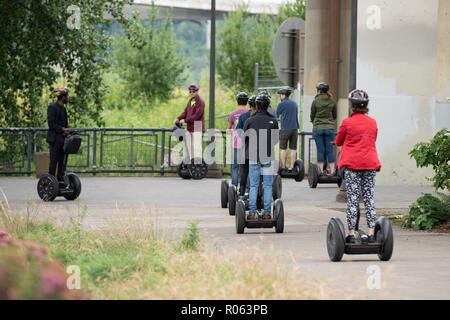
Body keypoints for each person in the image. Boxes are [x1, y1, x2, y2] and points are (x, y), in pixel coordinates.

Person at [335, 89, 381, 243]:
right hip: (370, 165)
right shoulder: (373, 122)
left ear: (352, 106)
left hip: (353, 166)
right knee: (369, 199)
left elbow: (338, 141)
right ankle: (371, 233)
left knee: (353, 200)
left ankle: (351, 234)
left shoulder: (347, 123)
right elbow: (373, 139)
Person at [243, 92, 279, 219]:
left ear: (256, 105)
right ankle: (267, 213)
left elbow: (244, 139)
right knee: (268, 185)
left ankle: (252, 213)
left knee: (253, 185)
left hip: (253, 155)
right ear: (268, 105)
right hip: (268, 155)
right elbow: (275, 140)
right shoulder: (273, 121)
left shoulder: (249, 121)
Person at [310, 82, 337, 176]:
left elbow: (312, 115)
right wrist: (329, 121)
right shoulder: (332, 101)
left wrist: (315, 121)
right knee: (329, 150)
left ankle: (321, 171)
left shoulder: (315, 101)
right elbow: (334, 115)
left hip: (318, 128)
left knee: (320, 150)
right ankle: (332, 171)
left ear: (319, 91)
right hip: (329, 128)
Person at [174, 84, 205, 160]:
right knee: (190, 147)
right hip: (190, 126)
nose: (191, 93)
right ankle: (192, 164)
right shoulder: (190, 101)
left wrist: (185, 120)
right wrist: (178, 118)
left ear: (197, 91)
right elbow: (185, 112)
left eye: (193, 91)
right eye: (190, 91)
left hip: (197, 125)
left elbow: (197, 116)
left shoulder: (200, 102)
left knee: (197, 147)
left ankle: (198, 163)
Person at [46, 87, 70, 182]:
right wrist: (62, 129)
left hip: (63, 139)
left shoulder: (63, 109)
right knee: (53, 162)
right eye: (67, 96)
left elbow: (65, 124)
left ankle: (60, 181)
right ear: (62, 97)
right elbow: (51, 123)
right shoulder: (52, 107)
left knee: (62, 162)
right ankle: (50, 182)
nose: (68, 97)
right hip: (55, 140)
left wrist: (67, 131)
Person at [236, 95, 257, 198]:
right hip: (258, 149)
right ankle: (253, 193)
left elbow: (238, 131)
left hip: (245, 148)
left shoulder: (243, 117)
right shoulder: (260, 117)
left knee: (244, 172)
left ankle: (241, 192)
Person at [227, 92, 249, 188]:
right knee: (246, 168)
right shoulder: (250, 113)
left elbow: (228, 129)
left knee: (235, 167)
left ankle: (234, 188)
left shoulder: (232, 114)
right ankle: (247, 188)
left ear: (237, 101)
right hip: (247, 143)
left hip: (236, 143)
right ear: (247, 102)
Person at [276, 87, 299, 169]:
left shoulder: (281, 104)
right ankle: (292, 167)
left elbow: (276, 116)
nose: (280, 97)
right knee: (293, 149)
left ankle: (283, 167)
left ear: (284, 95)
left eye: (280, 95)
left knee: (283, 149)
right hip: (295, 129)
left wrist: (278, 124)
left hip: (285, 129)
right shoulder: (294, 103)